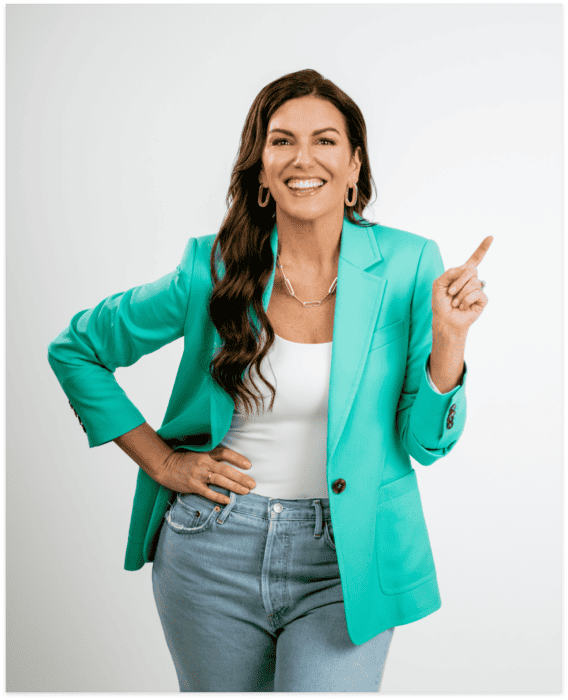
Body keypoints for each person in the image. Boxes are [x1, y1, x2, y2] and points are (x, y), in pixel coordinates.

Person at [47, 68, 492, 693]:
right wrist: (165, 465)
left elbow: (427, 444)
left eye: (326, 140)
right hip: (210, 551)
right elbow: (76, 349)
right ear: (260, 167)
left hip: (349, 558)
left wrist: (450, 337)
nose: (302, 158)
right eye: (281, 140)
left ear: (355, 165)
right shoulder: (211, 266)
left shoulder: (409, 264)